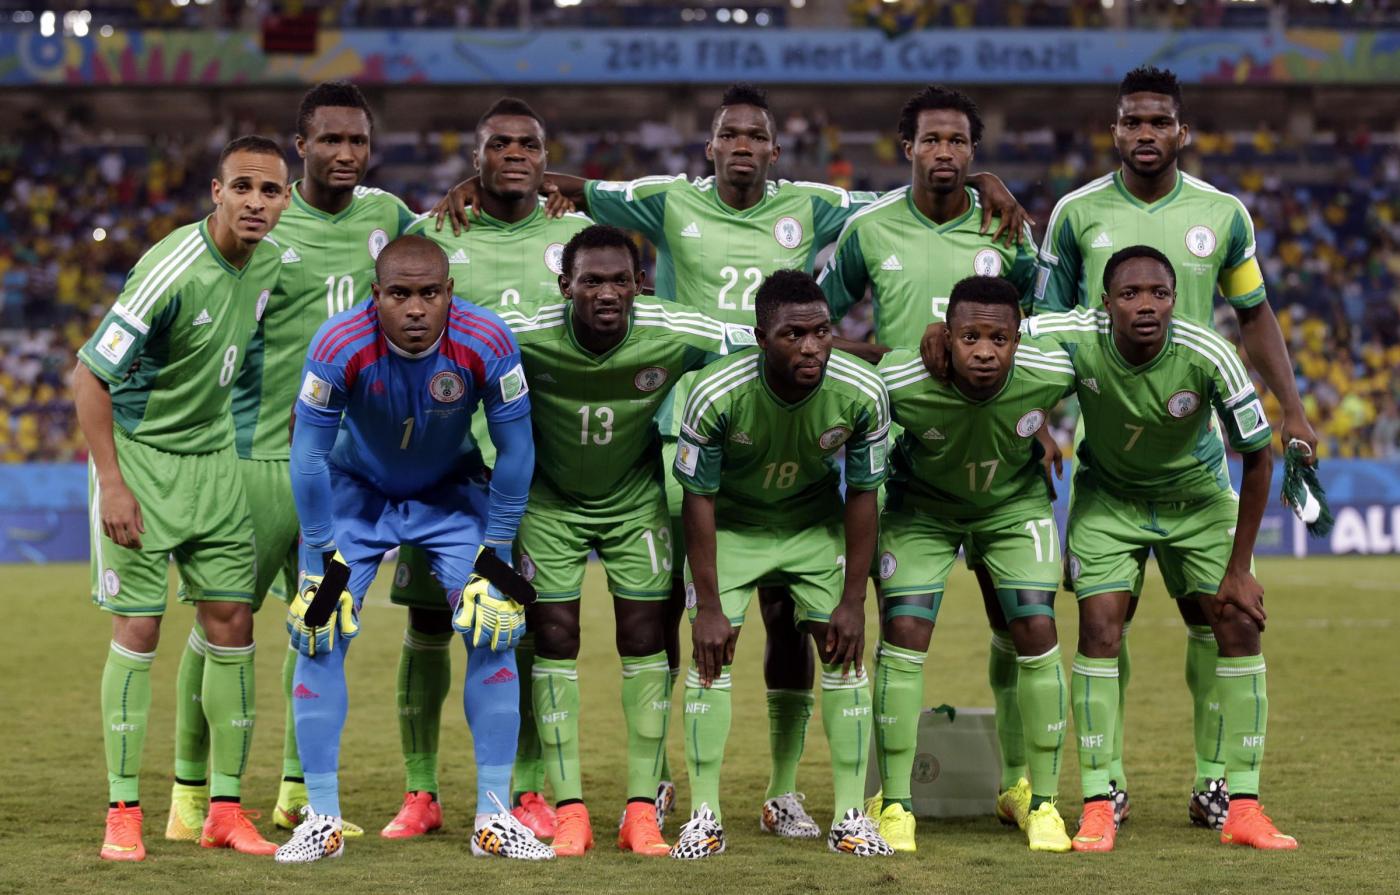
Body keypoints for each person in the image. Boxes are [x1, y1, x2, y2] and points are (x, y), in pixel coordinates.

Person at [437, 82, 1028, 836]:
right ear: (709, 145)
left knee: (787, 616)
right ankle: (655, 780)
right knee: (671, 612)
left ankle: (782, 790)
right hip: (682, 433)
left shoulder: (814, 205)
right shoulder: (666, 199)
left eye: (756, 136)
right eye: (730, 135)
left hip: (788, 423)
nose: (742, 146)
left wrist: (982, 180)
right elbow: (574, 186)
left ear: (775, 149)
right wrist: (480, 184)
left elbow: (907, 196)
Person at [1033, 65, 1317, 828]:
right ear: (1114, 131)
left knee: (1214, 615)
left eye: (1160, 121)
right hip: (1108, 458)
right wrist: (1039, 423)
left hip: (1195, 460)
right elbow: (1042, 330)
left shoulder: (1222, 214)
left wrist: (1292, 407)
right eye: (1133, 121)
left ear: (1182, 131)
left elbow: (1252, 312)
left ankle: (1217, 781)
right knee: (1105, 622)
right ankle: (1110, 784)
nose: (1146, 134)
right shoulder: (1075, 214)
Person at [167, 79, 413, 846]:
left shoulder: (388, 217)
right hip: (252, 464)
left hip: (338, 479)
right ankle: (189, 793)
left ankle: (297, 793)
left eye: (358, 140)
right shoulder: (264, 217)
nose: (346, 152)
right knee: (221, 626)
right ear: (301, 145)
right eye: (330, 139)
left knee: (319, 624)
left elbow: (438, 250)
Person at [272, 235, 551, 863]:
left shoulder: (488, 340)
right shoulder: (338, 343)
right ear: (376, 295)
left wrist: (497, 553)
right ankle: (321, 820)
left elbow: (517, 450)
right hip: (356, 497)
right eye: (399, 294)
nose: (416, 308)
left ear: (451, 292)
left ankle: (493, 816)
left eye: (430, 293)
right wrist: (317, 561)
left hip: (452, 496)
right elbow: (308, 455)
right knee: (319, 627)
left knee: (496, 621)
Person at [818, 84, 1050, 833]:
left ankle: (1022, 784)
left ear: (973, 152)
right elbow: (814, 324)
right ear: (908, 148)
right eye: (931, 140)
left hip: (1001, 458)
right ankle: (893, 796)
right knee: (903, 627)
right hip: (908, 461)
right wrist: (893, 355)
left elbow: (1049, 327)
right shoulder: (869, 227)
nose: (943, 151)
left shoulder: (1007, 227)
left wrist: (1038, 418)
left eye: (957, 141)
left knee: (1017, 621)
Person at [1028, 246, 1294, 853]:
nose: (1146, 305)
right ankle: (1098, 803)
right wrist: (1035, 420)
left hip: (1197, 500)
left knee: (1239, 624)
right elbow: (1000, 338)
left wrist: (1239, 570)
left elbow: (1258, 458)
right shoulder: (1073, 333)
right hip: (1109, 501)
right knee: (1099, 629)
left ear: (1175, 300)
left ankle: (1243, 806)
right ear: (1105, 302)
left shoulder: (1210, 353)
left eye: (1159, 294)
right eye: (1130, 294)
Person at [498, 224, 749, 856]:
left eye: (619, 280)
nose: (606, 293)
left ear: (640, 284)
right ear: (565, 286)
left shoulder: (675, 331)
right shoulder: (522, 333)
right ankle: (570, 809)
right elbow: (448, 338)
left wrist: (901, 351)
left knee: (643, 639)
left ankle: (640, 809)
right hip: (549, 505)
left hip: (634, 503)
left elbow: (776, 340)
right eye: (591, 281)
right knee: (555, 638)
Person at [74, 135, 290, 861]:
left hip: (215, 463)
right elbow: (88, 375)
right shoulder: (172, 267)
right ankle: (123, 811)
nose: (256, 202)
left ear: (284, 201)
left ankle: (224, 809)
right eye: (243, 187)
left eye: (271, 190)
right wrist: (112, 483)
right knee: (139, 630)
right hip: (141, 466)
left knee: (234, 623)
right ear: (216, 192)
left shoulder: (268, 264)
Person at [397, 97, 592, 839]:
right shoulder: (434, 237)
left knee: (528, 623)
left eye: (529, 145)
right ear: (475, 158)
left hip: (532, 470)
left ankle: (530, 787)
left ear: (546, 159)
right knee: (427, 622)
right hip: (443, 465)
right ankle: (420, 789)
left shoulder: (575, 236)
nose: (515, 154)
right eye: (500, 144)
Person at [669, 270, 891, 860]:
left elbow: (863, 493)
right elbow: (698, 499)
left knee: (843, 655)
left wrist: (853, 600)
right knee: (711, 658)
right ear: (761, 338)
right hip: (732, 527)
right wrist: (708, 606)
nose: (812, 347)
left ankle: (847, 816)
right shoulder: (716, 392)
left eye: (822, 332)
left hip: (811, 526)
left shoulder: (861, 391)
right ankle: (705, 817)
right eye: (794, 334)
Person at [873, 276, 1074, 854]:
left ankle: (1038, 800)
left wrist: (1043, 435)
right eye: (969, 338)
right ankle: (894, 804)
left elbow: (1106, 345)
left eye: (998, 339)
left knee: (1035, 627)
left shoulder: (1052, 369)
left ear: (1018, 339)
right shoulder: (900, 381)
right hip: (923, 511)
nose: (985, 351)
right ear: (947, 336)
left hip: (1013, 507)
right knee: (904, 631)